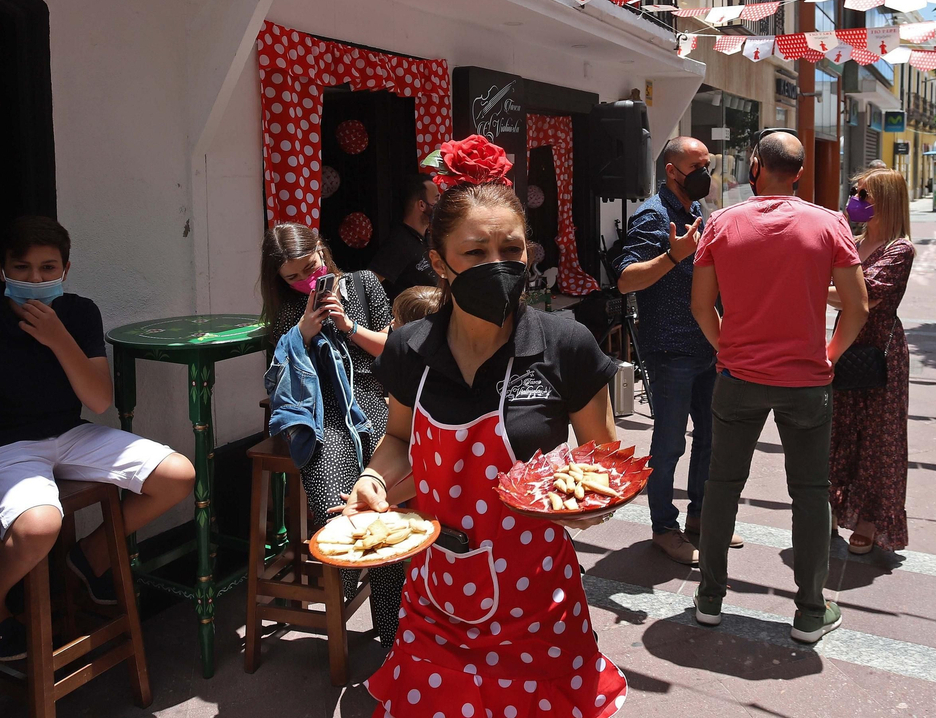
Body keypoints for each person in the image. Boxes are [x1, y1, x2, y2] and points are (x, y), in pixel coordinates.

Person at [346, 136, 629, 717]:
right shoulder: (410, 348)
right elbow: (398, 439)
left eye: (512, 250)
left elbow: (600, 461)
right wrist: (374, 478)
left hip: (538, 604)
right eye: (476, 253)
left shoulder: (564, 345)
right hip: (434, 597)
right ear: (440, 261)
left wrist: (595, 504)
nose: (497, 266)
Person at [0, 217, 196, 660]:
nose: (35, 279)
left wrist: (58, 338)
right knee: (40, 526)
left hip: (69, 432)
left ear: (65, 270)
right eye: (22, 268)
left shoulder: (78, 313)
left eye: (47, 268)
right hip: (0, 447)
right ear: (1, 270)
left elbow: (97, 400)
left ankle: (91, 557)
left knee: (178, 475)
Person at [689, 129, 869, 642]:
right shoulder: (830, 223)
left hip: (739, 378)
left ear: (754, 166)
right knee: (811, 494)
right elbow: (856, 307)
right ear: (798, 174)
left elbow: (701, 306)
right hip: (806, 382)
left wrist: (726, 349)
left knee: (722, 487)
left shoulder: (721, 222)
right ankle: (811, 610)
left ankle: (709, 598)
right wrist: (830, 354)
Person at [261, 221, 403, 647]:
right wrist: (302, 332)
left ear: (322, 252)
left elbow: (393, 352)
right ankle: (340, 582)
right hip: (318, 408)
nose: (305, 279)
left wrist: (348, 327)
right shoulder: (287, 309)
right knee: (333, 502)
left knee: (386, 500)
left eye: (310, 266)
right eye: (292, 276)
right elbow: (278, 376)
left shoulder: (362, 285)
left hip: (369, 397)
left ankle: (390, 625)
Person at [614, 136, 739, 565]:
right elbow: (626, 278)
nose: (706, 172)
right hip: (670, 350)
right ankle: (664, 528)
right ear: (672, 170)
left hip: (707, 343)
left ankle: (701, 519)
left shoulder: (696, 210)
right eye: (697, 166)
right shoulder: (652, 215)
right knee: (669, 445)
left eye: (708, 163)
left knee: (710, 436)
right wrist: (672, 254)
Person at [827, 169, 915, 555]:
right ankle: (832, 505)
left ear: (887, 200)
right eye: (856, 191)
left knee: (878, 439)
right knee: (838, 429)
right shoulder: (853, 240)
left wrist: (807, 289)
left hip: (879, 352)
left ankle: (869, 521)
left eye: (865, 193)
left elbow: (865, 298)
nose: (856, 199)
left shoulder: (900, 249)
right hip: (844, 343)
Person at [370, 175, 441, 300]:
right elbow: (370, 283)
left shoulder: (428, 237)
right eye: (436, 200)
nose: (439, 206)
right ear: (422, 205)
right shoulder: (399, 242)